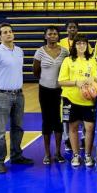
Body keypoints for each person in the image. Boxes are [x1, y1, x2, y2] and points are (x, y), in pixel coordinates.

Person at [0, 23, 33, 174]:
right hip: (2, 95)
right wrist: (1, 86)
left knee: (17, 128)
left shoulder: (19, 51)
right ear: (0, 36)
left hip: (19, 94)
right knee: (0, 131)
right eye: (5, 32)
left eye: (10, 31)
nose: (8, 34)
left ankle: (16, 156)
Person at [58, 34, 97, 167]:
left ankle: (87, 155)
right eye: (78, 43)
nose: (81, 46)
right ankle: (76, 155)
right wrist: (76, 83)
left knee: (89, 128)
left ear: (87, 46)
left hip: (88, 100)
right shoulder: (68, 61)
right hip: (71, 98)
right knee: (73, 127)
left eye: (84, 43)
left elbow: (96, 79)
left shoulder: (91, 61)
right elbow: (61, 81)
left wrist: (92, 81)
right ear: (74, 46)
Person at [33, 26, 69, 164]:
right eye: (50, 34)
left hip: (60, 91)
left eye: (55, 33)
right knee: (47, 121)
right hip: (45, 91)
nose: (53, 35)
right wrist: (46, 81)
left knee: (58, 121)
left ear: (58, 36)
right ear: (45, 36)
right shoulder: (40, 52)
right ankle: (47, 154)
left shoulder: (64, 52)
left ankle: (58, 153)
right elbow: (35, 71)